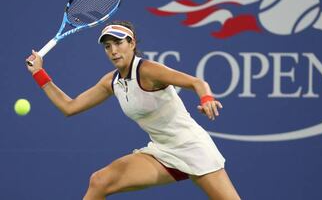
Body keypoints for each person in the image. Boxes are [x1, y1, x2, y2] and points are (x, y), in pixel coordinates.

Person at [26, 20, 241, 200]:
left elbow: (196, 82)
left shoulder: (149, 71)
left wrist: (206, 98)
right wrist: (39, 73)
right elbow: (69, 107)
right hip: (162, 152)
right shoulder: (111, 82)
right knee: (100, 181)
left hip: (194, 148)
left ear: (132, 43)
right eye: (107, 46)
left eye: (118, 43)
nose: (113, 50)